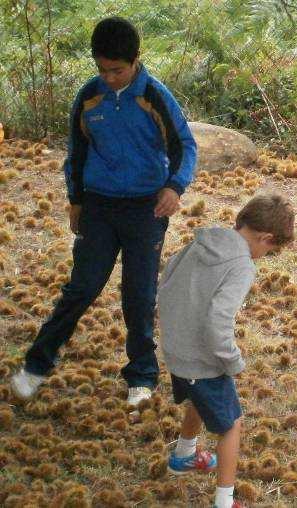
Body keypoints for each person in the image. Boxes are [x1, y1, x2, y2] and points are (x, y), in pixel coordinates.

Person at [11, 17, 197, 406]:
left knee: (138, 294)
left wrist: (174, 187)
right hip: (99, 204)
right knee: (82, 287)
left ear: (136, 61)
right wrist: (76, 200)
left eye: (118, 70)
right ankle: (37, 364)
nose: (110, 78)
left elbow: (184, 146)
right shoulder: (89, 96)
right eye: (102, 70)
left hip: (145, 209)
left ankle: (141, 376)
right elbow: (76, 153)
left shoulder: (154, 95)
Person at [158, 194, 294, 508]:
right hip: (202, 359)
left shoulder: (204, 241)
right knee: (231, 426)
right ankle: (224, 501)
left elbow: (166, 281)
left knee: (197, 399)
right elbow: (218, 320)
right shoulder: (241, 266)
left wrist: (175, 334)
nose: (266, 255)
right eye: (271, 249)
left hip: (176, 348)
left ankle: (183, 457)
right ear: (266, 238)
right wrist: (232, 361)